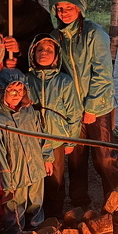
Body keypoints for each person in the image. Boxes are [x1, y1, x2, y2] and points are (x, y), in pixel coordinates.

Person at [51, 0, 118, 209]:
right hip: (72, 110)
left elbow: (103, 73)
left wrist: (91, 108)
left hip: (98, 108)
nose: (64, 13)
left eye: (69, 7)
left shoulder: (94, 34)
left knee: (104, 159)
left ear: (79, 9)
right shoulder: (56, 38)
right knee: (76, 159)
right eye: (59, 9)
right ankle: (80, 205)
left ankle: (114, 204)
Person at [0, 68, 54, 234]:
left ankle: (36, 232)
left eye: (20, 89)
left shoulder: (29, 111)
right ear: (2, 90)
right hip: (15, 171)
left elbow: (42, 134)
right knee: (15, 205)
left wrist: (47, 157)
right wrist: (5, 177)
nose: (16, 94)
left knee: (36, 201)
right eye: (11, 90)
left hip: (35, 166)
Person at [25, 34, 82, 218]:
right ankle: (34, 218)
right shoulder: (26, 80)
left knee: (55, 181)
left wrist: (71, 141)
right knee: (34, 179)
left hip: (56, 137)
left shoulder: (64, 81)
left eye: (49, 50)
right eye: (40, 49)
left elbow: (74, 112)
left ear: (56, 55)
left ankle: (54, 218)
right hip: (32, 139)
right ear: (32, 53)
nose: (44, 53)